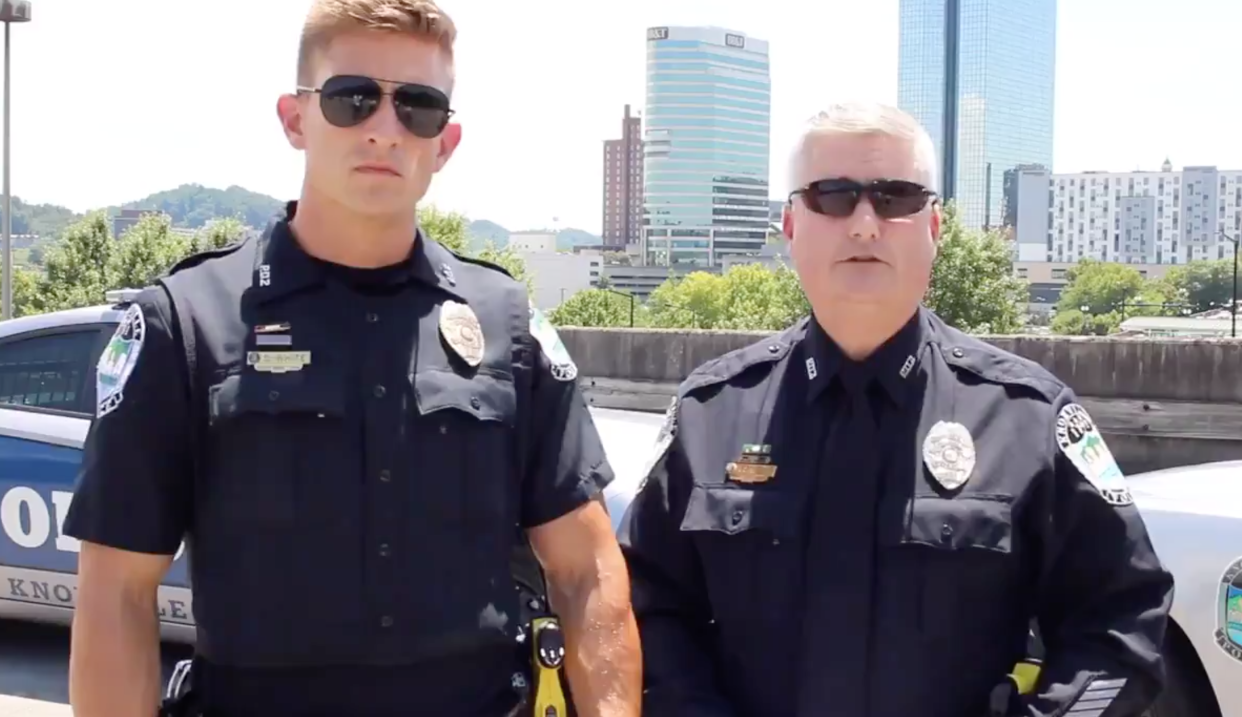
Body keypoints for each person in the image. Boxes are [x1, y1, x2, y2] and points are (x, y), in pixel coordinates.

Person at [63, 2, 641, 716]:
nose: (384, 127)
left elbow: (586, 571)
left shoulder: (506, 325)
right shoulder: (186, 322)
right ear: (295, 118)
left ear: (447, 140)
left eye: (418, 107)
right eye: (352, 97)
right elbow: (116, 589)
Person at [617, 101, 1174, 717]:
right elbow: (644, 605)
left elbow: (1122, 619)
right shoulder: (711, 412)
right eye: (831, 196)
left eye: (895, 197)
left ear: (934, 227)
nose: (863, 224)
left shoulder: (1028, 417)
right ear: (791, 227)